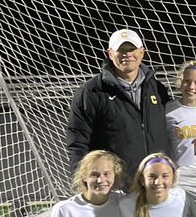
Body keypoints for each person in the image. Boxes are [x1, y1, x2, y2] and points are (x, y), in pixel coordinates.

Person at [66, 28, 172, 180]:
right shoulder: (91, 92)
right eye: (120, 50)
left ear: (142, 52)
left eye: (132, 49)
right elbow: (78, 143)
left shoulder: (157, 89)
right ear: (110, 54)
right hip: (115, 186)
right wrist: (82, 180)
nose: (127, 54)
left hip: (154, 184)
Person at [165, 60, 196, 167]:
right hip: (180, 176)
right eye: (187, 81)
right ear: (180, 82)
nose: (191, 87)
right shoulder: (167, 110)